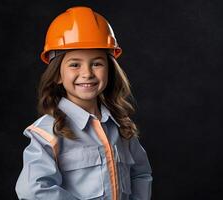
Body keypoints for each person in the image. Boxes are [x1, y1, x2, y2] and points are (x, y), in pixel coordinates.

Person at [15, 6, 152, 200]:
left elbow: (141, 174)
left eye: (97, 63)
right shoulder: (47, 133)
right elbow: (33, 190)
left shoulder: (121, 128)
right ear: (58, 75)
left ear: (110, 70)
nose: (87, 73)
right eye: (74, 64)